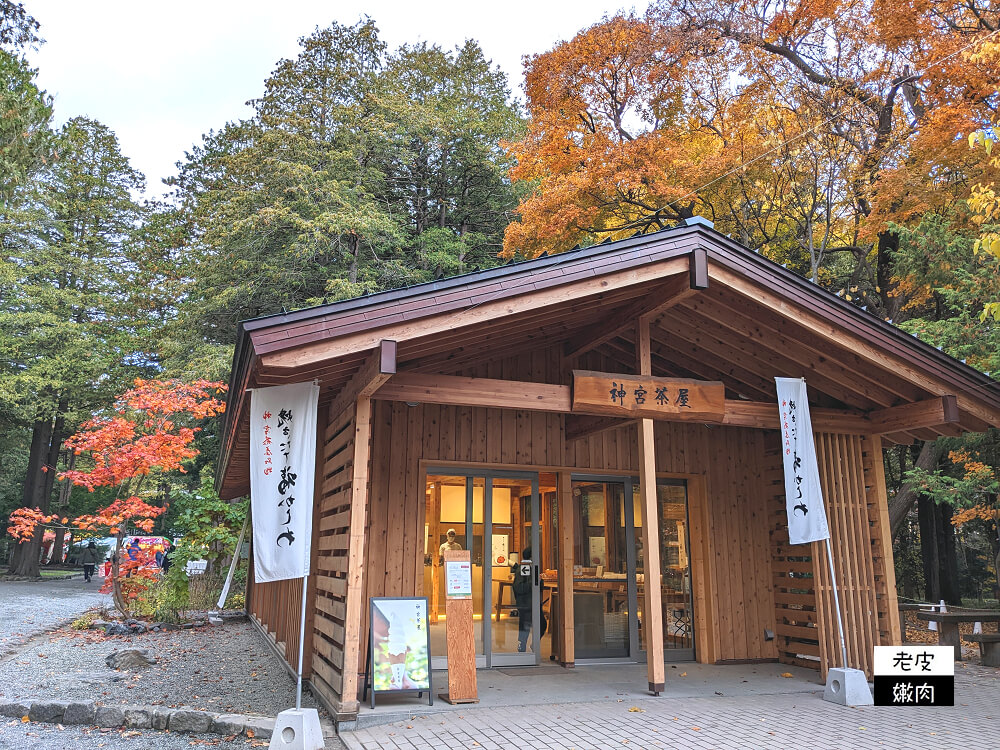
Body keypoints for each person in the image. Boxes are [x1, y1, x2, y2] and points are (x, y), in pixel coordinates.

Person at [512, 546, 547, 652]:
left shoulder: (533, 568)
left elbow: (539, 587)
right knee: (526, 625)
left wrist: (540, 580)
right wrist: (534, 582)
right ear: (531, 556)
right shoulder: (523, 569)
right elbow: (518, 587)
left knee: (542, 624)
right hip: (526, 602)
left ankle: (532, 644)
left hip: (534, 602)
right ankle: (522, 645)